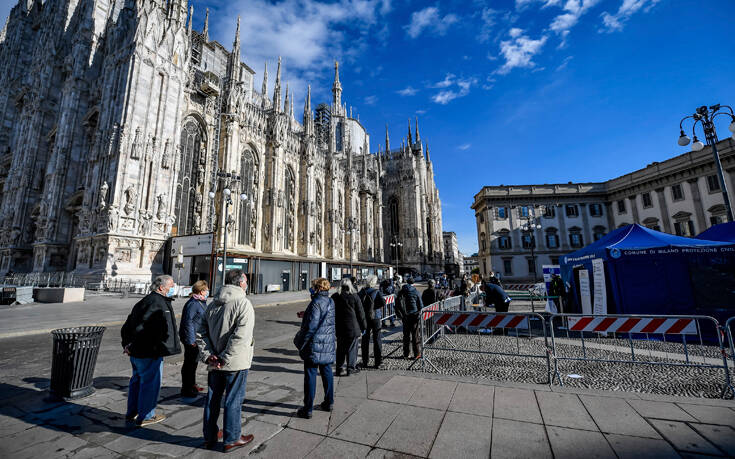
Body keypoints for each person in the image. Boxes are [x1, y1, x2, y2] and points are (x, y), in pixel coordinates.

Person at [197, 269, 255, 452]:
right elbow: (240, 337)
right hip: (234, 362)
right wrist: (224, 358)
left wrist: (209, 355)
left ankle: (210, 436)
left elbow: (201, 333)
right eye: (245, 281)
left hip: (215, 362)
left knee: (212, 400)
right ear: (240, 283)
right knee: (233, 400)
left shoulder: (213, 304)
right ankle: (232, 438)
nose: (246, 284)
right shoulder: (243, 304)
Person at [121, 274, 181, 427]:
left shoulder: (145, 301)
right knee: (150, 384)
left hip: (137, 352)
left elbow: (128, 325)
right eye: (171, 285)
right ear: (162, 287)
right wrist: (133, 345)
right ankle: (146, 415)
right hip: (149, 352)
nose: (173, 288)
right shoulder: (157, 303)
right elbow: (145, 329)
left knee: (137, 381)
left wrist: (127, 344)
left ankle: (132, 412)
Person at [294, 278, 335, 419]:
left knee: (310, 375)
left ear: (317, 288)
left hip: (314, 344)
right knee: (327, 372)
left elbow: (311, 328)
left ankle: (308, 408)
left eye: (312, 287)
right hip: (327, 343)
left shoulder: (315, 303)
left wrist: (301, 343)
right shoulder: (330, 302)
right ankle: (329, 402)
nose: (311, 290)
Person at [179, 280, 209, 397]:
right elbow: (188, 323)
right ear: (201, 291)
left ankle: (192, 384)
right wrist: (191, 341)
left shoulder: (200, 302)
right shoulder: (193, 304)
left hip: (197, 338)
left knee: (194, 363)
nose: (207, 292)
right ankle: (186, 389)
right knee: (189, 364)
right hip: (192, 339)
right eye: (206, 290)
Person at [332, 278, 365, 376]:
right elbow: (361, 313)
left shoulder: (335, 297)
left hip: (340, 327)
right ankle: (350, 368)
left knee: (340, 349)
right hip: (353, 327)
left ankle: (339, 369)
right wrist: (364, 326)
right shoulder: (354, 296)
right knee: (352, 349)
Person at [359, 274, 386, 368]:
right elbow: (383, 302)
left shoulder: (362, 292)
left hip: (364, 318)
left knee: (365, 339)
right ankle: (378, 362)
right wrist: (374, 307)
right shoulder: (376, 291)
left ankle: (365, 361)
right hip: (375, 317)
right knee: (377, 339)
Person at [397, 276, 424, 359]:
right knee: (415, 335)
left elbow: (397, 303)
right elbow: (421, 305)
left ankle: (406, 354)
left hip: (405, 316)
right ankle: (417, 354)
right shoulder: (416, 292)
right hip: (414, 315)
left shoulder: (401, 291)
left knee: (406, 336)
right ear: (413, 283)